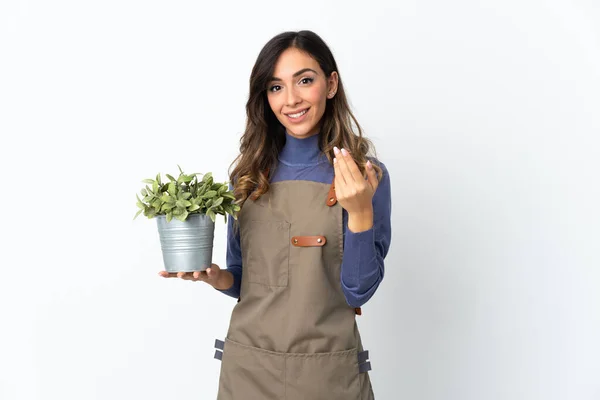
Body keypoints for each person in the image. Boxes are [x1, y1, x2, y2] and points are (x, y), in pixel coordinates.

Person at [160, 30, 392, 400]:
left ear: (330, 84)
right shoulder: (248, 176)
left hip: (327, 374)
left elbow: (358, 290)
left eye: (304, 80)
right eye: (275, 87)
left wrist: (360, 210)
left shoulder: (365, 175)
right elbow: (245, 281)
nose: (291, 99)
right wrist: (216, 277)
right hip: (249, 370)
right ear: (264, 97)